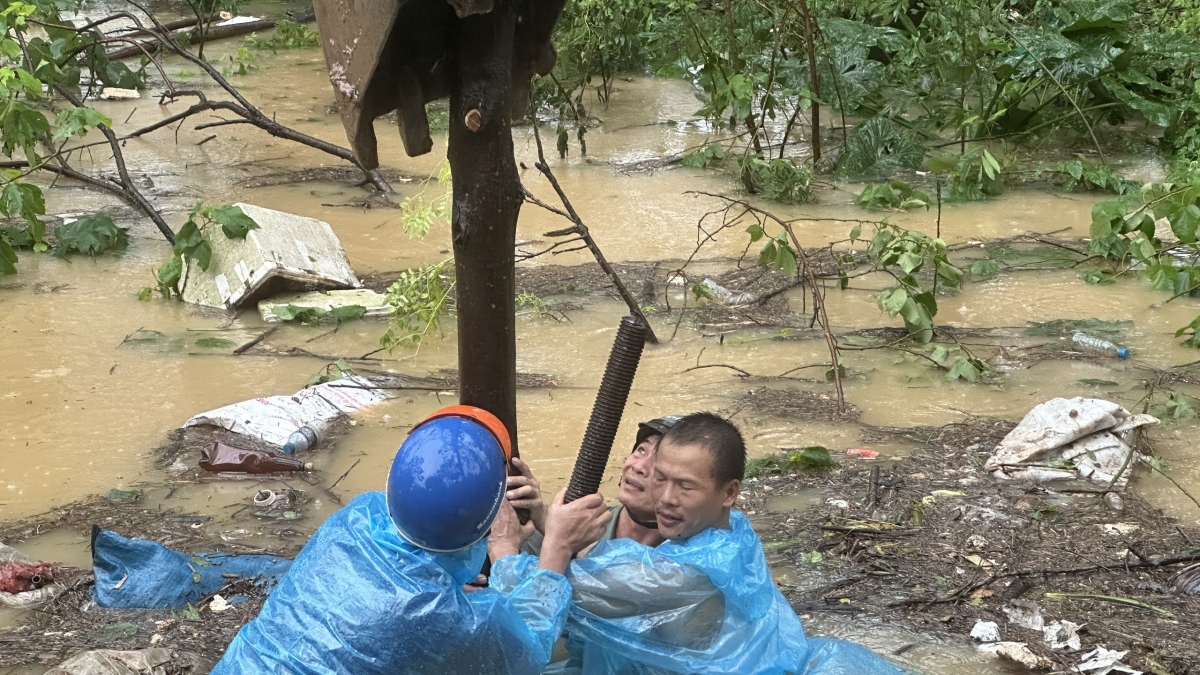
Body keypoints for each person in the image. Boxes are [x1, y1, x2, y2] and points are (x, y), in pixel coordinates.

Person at [211, 405, 612, 675]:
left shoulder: (354, 519)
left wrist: (446, 589)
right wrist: (554, 547)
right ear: (489, 520)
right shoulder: (450, 620)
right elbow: (528, 650)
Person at [563, 412, 903, 675]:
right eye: (661, 478)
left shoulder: (682, 577)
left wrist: (528, 540)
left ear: (729, 492)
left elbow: (549, 596)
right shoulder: (733, 530)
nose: (665, 499)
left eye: (685, 486)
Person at [512, 416, 680, 555]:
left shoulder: (690, 555)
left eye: (659, 461)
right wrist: (537, 516)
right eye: (641, 450)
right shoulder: (581, 522)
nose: (638, 467)